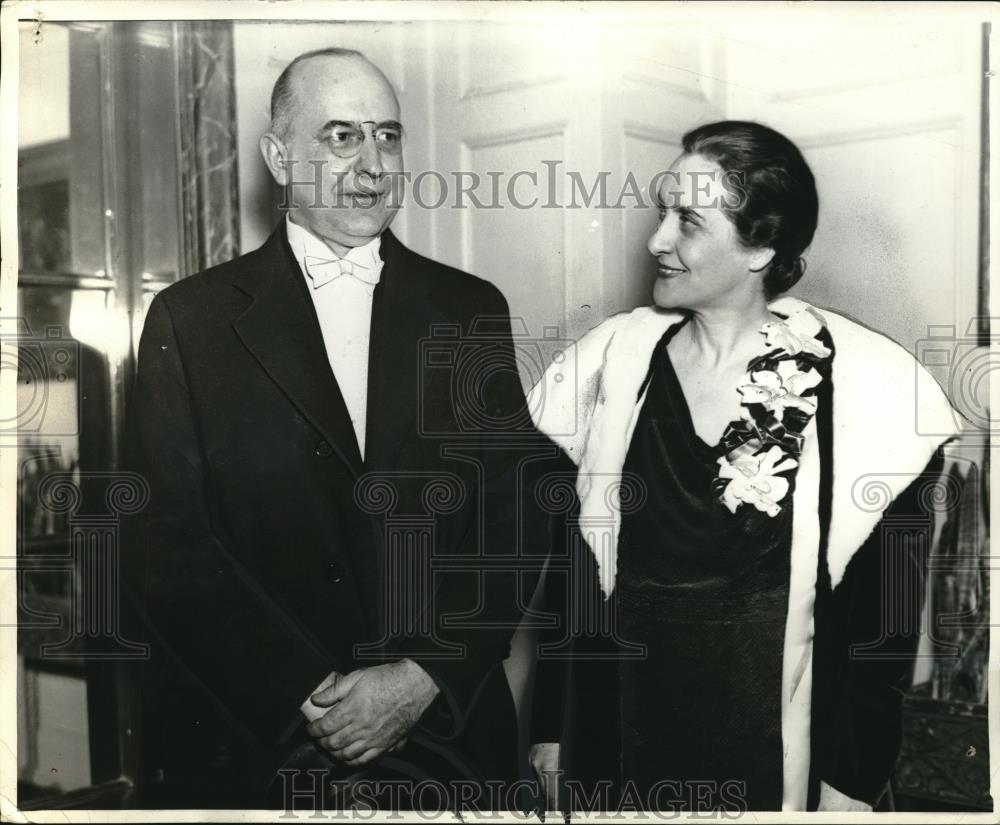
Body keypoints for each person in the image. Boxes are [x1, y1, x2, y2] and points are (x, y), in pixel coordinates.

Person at [122, 47, 544, 809]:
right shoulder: (191, 320)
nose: (373, 163)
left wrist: (424, 676)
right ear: (279, 157)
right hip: (259, 744)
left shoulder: (467, 307)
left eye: (387, 136)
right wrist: (307, 695)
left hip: (448, 740)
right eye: (341, 137)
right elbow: (164, 542)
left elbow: (513, 518)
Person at [526, 121, 961, 812]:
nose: (656, 241)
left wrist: (848, 785)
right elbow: (575, 577)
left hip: (766, 757)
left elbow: (882, 633)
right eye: (662, 211)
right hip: (617, 744)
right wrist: (552, 727)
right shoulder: (614, 362)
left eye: (687, 222)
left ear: (760, 244)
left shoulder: (870, 391)